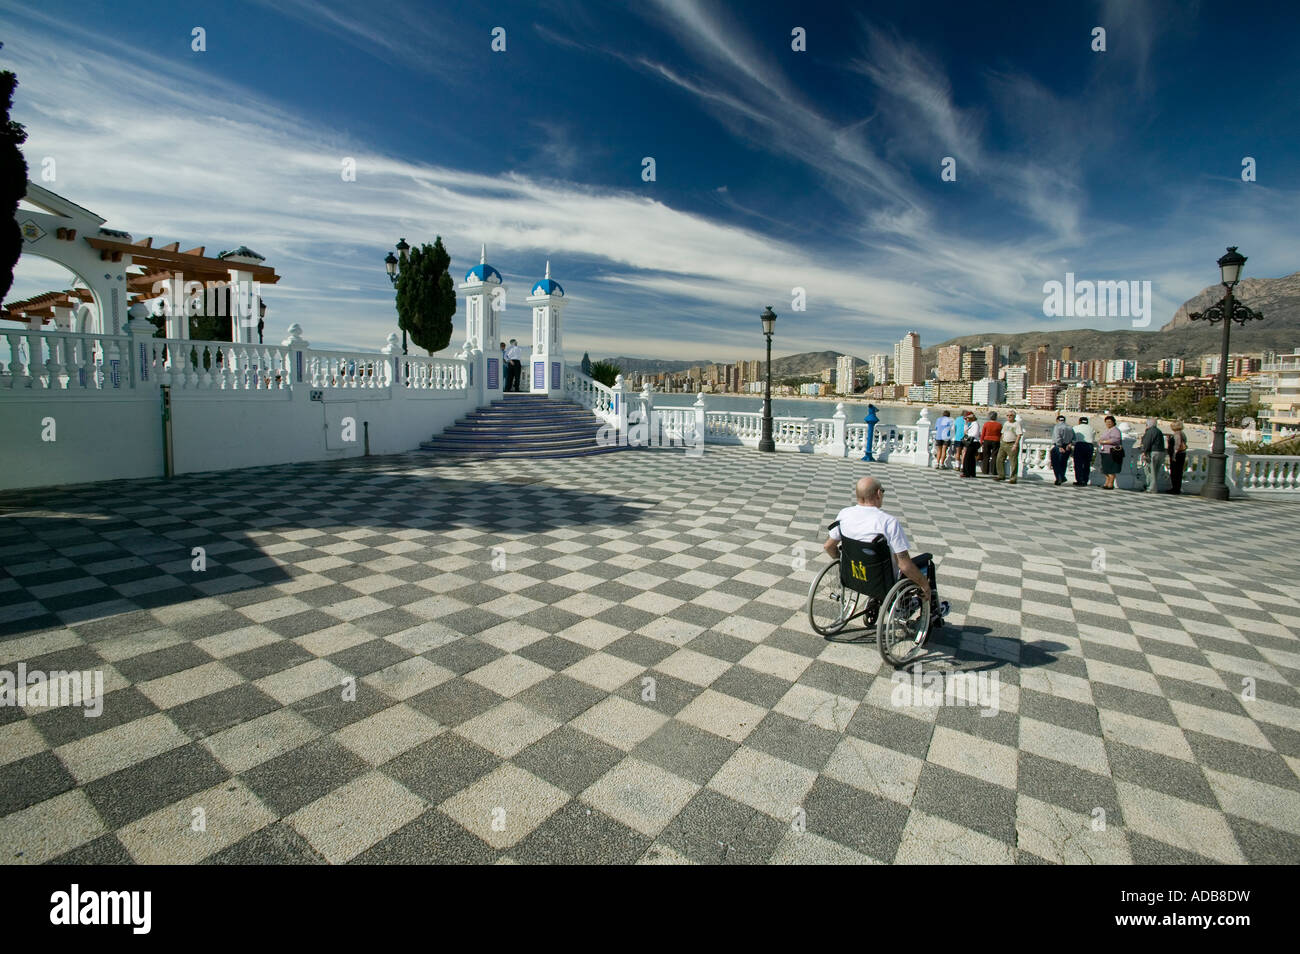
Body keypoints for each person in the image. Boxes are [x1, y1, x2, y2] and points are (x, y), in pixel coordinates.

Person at [824, 476, 945, 625]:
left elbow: (828, 547)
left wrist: (844, 562)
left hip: (853, 576)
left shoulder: (844, 514)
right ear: (878, 494)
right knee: (926, 563)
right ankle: (931, 611)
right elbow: (904, 565)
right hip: (884, 580)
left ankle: (883, 599)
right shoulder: (888, 522)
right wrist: (924, 585)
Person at [994, 410, 1024, 483]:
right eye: (1007, 415)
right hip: (1004, 443)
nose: (1009, 417)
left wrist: (1015, 445)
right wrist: (1001, 441)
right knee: (999, 459)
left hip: (1012, 444)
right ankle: (1001, 475)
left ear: (1014, 416)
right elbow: (1002, 432)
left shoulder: (1017, 424)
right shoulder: (1006, 423)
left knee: (1013, 462)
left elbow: (1019, 435)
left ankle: (1013, 478)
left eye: (1010, 415)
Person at [1140, 417, 1166, 494]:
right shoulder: (1159, 431)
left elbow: (1147, 443)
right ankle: (1150, 486)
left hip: (1153, 453)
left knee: (1151, 471)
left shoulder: (1150, 432)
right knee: (1155, 471)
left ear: (1148, 424)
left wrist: (1143, 452)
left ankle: (1151, 488)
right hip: (1161, 452)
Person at [1098, 415, 1123, 490]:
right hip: (1104, 452)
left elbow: (1115, 440)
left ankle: (1110, 484)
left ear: (1113, 422)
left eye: (1110, 422)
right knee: (1105, 469)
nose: (1108, 423)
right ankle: (1107, 482)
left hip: (1111, 452)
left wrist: (1104, 442)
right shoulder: (1108, 430)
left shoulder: (1115, 430)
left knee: (1110, 469)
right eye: (1106, 422)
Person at [1049, 415, 1074, 485]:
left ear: (1057, 420)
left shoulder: (1057, 427)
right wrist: (1070, 444)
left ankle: (1059, 478)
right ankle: (1062, 476)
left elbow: (1057, 437)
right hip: (1067, 446)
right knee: (1063, 463)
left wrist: (1059, 446)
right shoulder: (1070, 427)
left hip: (1059, 446)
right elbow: (1074, 438)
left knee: (1056, 463)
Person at [1072, 416, 1095, 487]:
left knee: (1078, 463)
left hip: (1080, 445)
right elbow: (1093, 437)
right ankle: (1085, 480)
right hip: (1089, 446)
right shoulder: (1091, 428)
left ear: (1079, 421)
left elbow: (1073, 438)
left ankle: (1079, 480)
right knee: (1087, 464)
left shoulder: (1075, 428)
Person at [1166, 421, 1188, 494]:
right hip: (1182, 454)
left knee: (1175, 472)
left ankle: (1175, 489)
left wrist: (1173, 455)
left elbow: (1177, 446)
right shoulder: (1183, 434)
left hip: (1177, 455)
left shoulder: (1177, 434)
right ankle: (1177, 488)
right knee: (1179, 472)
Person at [979, 411, 1001, 475]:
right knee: (994, 456)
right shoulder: (999, 425)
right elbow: (1000, 434)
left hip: (987, 440)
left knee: (986, 456)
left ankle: (985, 471)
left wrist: (981, 441)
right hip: (996, 440)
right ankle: (994, 471)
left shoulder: (986, 424)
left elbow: (983, 433)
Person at [960, 411, 981, 478]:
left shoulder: (975, 424)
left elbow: (974, 434)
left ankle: (966, 472)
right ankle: (971, 473)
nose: (967, 420)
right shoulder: (972, 424)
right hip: (971, 442)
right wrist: (966, 424)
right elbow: (965, 431)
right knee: (971, 458)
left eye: (967, 418)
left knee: (967, 458)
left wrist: (968, 434)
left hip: (973, 443)